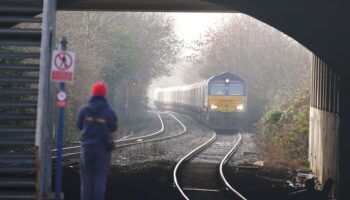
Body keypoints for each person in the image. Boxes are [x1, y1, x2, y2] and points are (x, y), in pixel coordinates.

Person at [76, 82, 118, 200]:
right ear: (104, 94)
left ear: (93, 93)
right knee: (99, 180)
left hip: (86, 148)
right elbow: (114, 127)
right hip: (102, 149)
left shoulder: (84, 110)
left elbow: (79, 125)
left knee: (86, 181)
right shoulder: (109, 111)